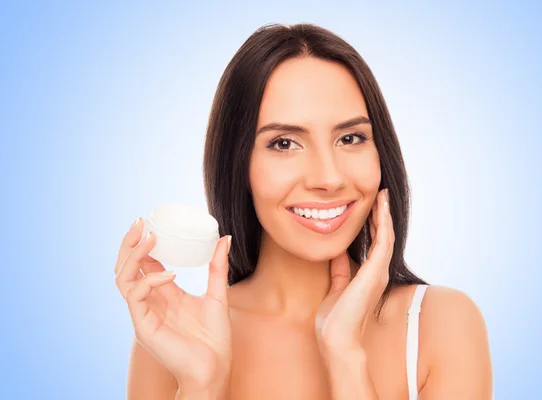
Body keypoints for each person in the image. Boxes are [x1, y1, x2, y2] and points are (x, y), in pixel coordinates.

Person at [114, 23, 493, 400]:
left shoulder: (440, 325)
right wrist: (201, 385)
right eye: (284, 143)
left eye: (350, 138)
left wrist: (345, 356)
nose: (328, 178)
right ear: (237, 163)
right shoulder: (172, 340)